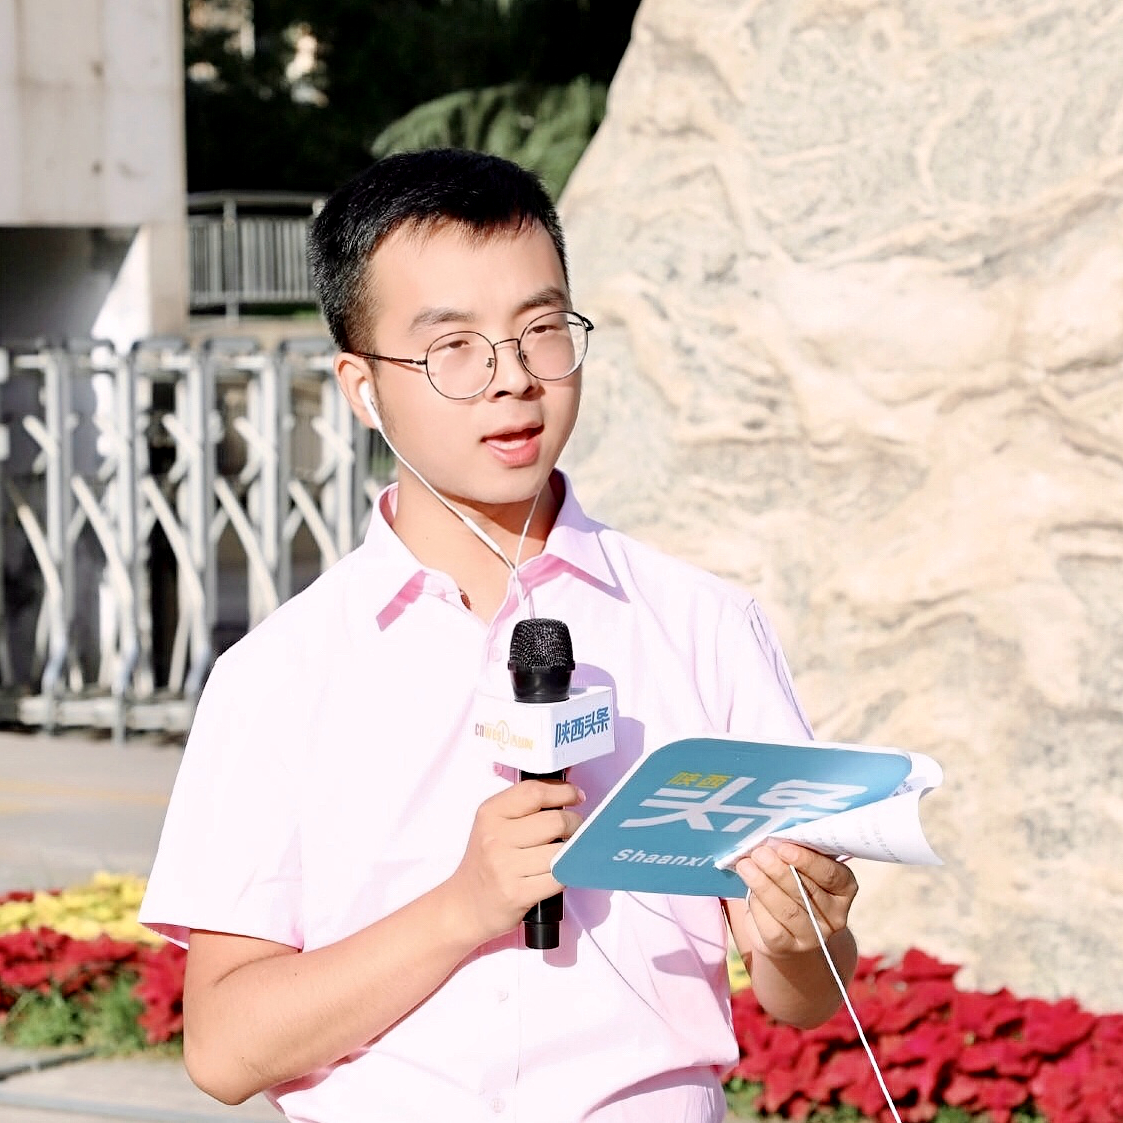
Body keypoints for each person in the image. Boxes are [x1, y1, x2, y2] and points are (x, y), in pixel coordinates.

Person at [140, 148, 859, 1123]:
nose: (512, 379)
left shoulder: (702, 627)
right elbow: (226, 1049)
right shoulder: (278, 672)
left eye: (541, 330)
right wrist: (464, 906)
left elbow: (802, 992)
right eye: (454, 347)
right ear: (362, 386)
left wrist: (802, 931)